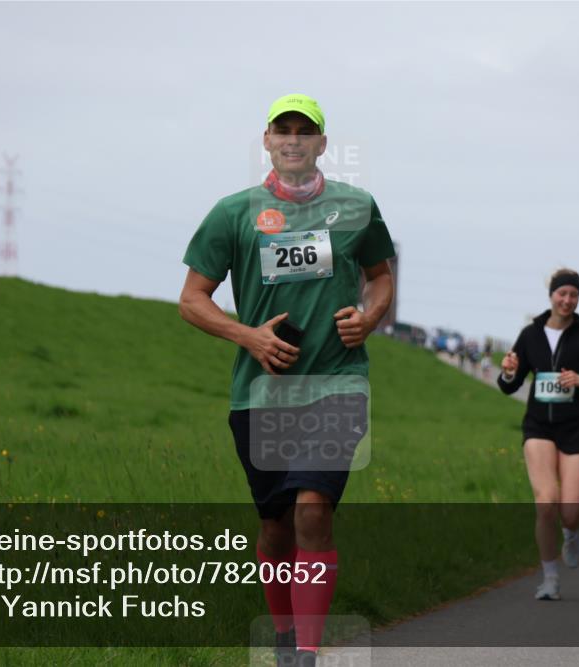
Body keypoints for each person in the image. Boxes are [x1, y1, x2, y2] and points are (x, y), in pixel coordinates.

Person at [179, 94, 395, 666]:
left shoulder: (356, 207)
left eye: (306, 131)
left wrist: (369, 317)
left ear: (322, 144)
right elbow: (192, 299)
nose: (294, 139)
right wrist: (246, 336)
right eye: (284, 130)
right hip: (261, 392)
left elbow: (380, 278)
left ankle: (305, 649)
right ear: (267, 141)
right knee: (275, 525)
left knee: (312, 509)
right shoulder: (233, 213)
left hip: (337, 384)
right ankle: (282, 637)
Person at [498, 269, 579, 601]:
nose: (566, 300)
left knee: (569, 510)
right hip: (539, 425)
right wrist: (507, 372)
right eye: (561, 294)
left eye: (573, 295)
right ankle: (549, 577)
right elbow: (510, 384)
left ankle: (573, 531)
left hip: (577, 428)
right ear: (551, 295)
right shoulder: (530, 335)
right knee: (546, 501)